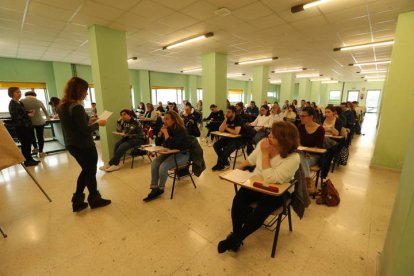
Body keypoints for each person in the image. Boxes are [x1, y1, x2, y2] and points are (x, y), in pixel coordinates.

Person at [217, 121, 300, 254]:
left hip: (277, 191)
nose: (269, 136)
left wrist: (266, 154)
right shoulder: (264, 143)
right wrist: (234, 171)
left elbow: (271, 179)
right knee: (238, 201)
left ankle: (235, 239)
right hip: (257, 184)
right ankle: (236, 236)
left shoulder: (293, 158)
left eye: (273, 135)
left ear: (285, 140)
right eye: (270, 133)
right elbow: (250, 160)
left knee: (260, 212)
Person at [58, 77, 111, 212]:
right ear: (79, 91)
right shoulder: (77, 107)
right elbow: (85, 130)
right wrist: (98, 123)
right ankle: (94, 199)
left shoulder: (63, 106)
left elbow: (75, 126)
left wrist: (89, 121)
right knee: (90, 172)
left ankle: (77, 202)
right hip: (84, 145)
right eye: (85, 91)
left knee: (86, 171)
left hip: (72, 145)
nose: (86, 94)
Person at [143, 111, 190, 202]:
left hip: (183, 154)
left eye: (167, 119)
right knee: (155, 163)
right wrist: (160, 135)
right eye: (164, 119)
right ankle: (154, 187)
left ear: (174, 120)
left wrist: (165, 133)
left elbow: (173, 145)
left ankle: (161, 189)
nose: (165, 121)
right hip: (170, 152)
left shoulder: (180, 130)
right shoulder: (168, 128)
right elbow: (158, 143)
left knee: (163, 166)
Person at [8, 87, 39, 166]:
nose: (19, 93)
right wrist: (28, 115)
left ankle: (30, 159)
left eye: (20, 92)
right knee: (25, 144)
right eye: (17, 92)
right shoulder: (12, 104)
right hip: (21, 128)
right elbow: (15, 116)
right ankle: (27, 161)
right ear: (12, 94)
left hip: (27, 126)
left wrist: (29, 111)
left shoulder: (19, 102)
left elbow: (22, 112)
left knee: (28, 144)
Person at [297, 107, 325, 193]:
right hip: (302, 153)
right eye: (300, 116)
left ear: (311, 117)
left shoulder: (320, 129)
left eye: (303, 116)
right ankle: (307, 181)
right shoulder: (300, 126)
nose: (300, 118)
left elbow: (318, 147)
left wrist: (307, 152)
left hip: (314, 155)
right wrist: (304, 151)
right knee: (299, 158)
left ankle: (305, 183)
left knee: (300, 161)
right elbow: (298, 143)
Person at [212, 106, 243, 171]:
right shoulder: (228, 118)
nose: (226, 113)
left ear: (233, 113)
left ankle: (220, 164)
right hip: (229, 137)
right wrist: (225, 120)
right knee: (216, 145)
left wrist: (227, 128)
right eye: (226, 111)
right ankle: (225, 162)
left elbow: (236, 132)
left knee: (227, 149)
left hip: (239, 139)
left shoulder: (238, 118)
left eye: (229, 112)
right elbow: (220, 130)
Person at [21, 91, 50, 157]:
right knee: (40, 137)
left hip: (29, 122)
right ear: (34, 95)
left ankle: (35, 148)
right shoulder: (39, 101)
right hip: (39, 121)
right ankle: (41, 152)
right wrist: (48, 119)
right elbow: (45, 111)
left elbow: (21, 111)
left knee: (31, 136)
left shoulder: (21, 101)